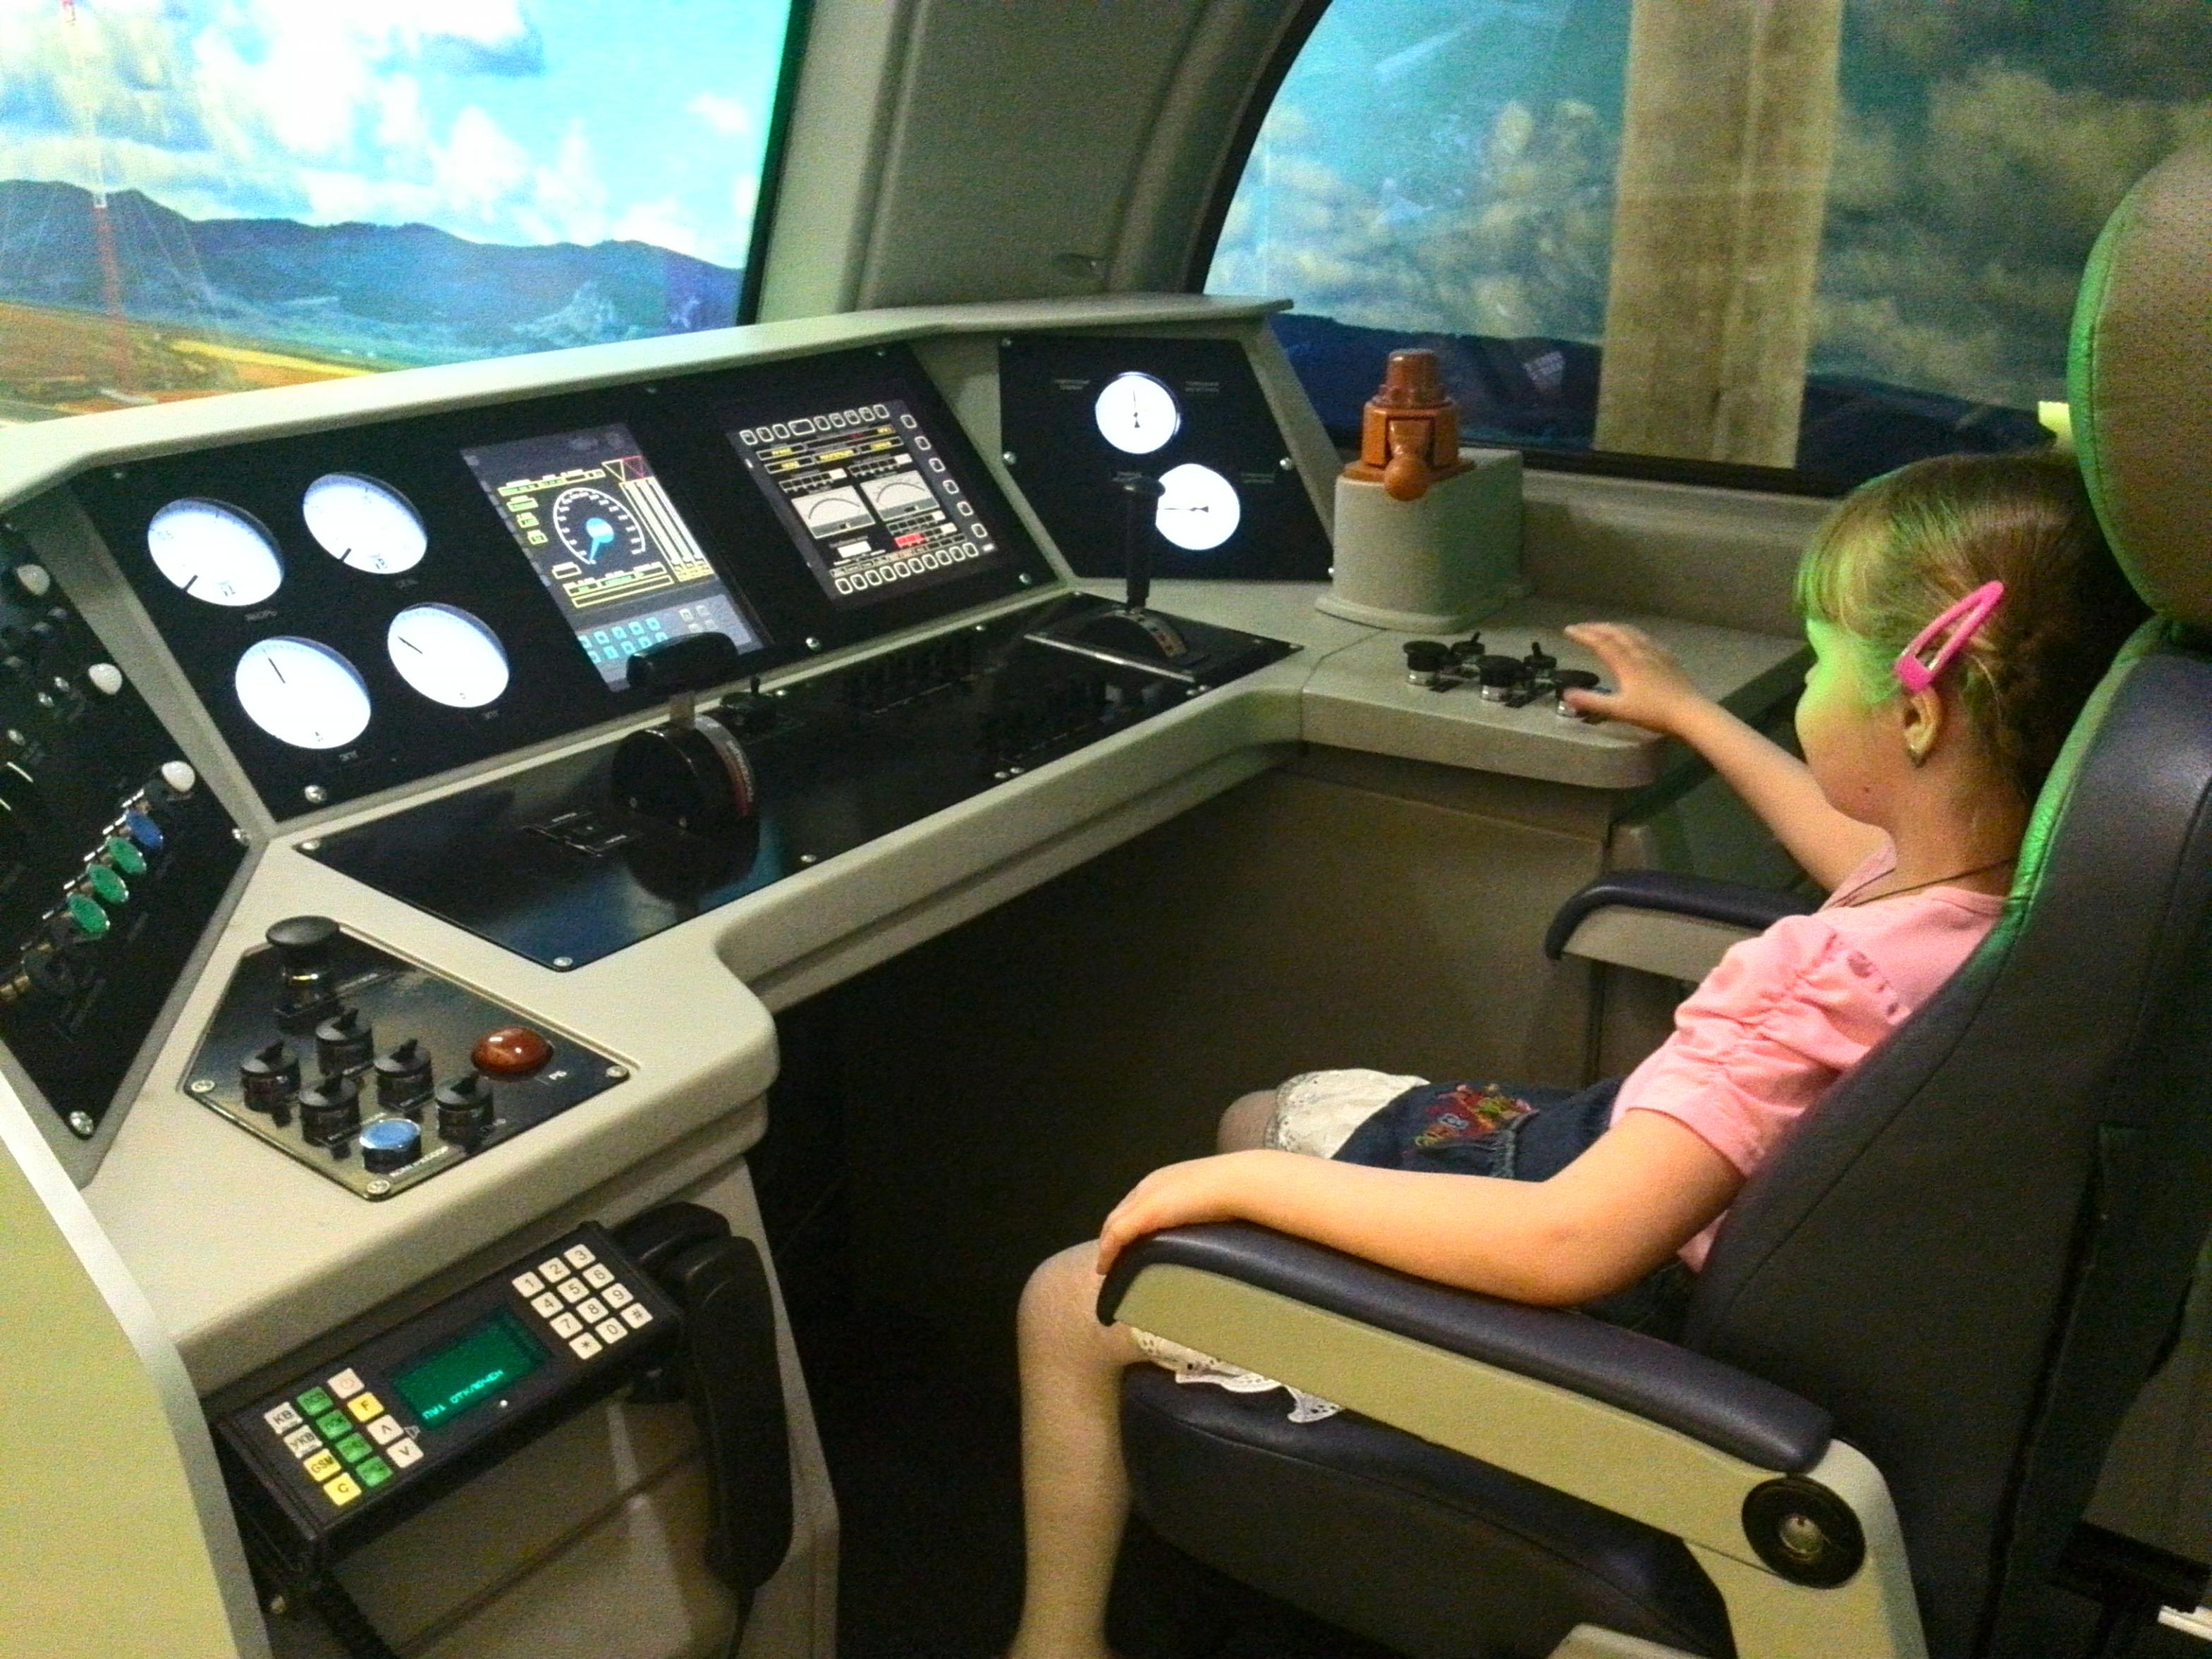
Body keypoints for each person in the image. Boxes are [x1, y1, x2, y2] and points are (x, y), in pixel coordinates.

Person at [1003, 451, 2148, 1659]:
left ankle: (1054, 1644)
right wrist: (1693, 713)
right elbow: (1857, 853)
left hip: (1612, 1271)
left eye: (1817, 661)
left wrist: (1234, 1187)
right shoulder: (2021, 898)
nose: (1806, 684)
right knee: (1260, 1114)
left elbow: (1565, 1243)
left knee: (1080, 1288)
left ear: (1915, 711)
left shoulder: (1813, 980)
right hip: (1669, 1211)